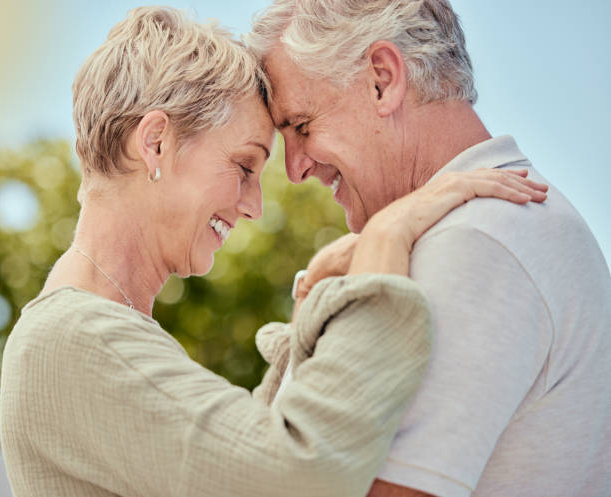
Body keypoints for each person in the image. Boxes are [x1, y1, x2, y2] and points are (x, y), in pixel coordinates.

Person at [0, 6, 547, 497]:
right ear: (156, 142)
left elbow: (254, 451)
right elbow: (302, 476)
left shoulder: (98, 334)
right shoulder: (77, 338)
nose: (254, 205)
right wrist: (385, 244)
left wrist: (316, 301)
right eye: (243, 166)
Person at [245, 1, 611, 496]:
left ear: (382, 79)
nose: (294, 169)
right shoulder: (489, 225)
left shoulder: (474, 242)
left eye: (302, 126)